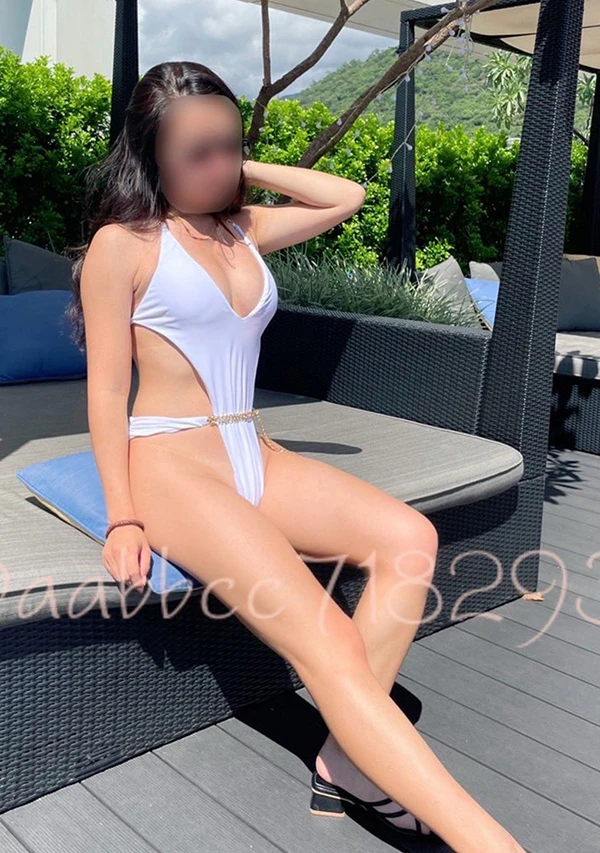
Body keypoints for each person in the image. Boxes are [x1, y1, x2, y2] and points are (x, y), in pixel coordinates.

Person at [70, 61, 527, 853]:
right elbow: (107, 391)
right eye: (196, 154)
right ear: (150, 156)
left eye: (229, 146)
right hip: (173, 465)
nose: (218, 166)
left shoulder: (242, 227)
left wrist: (234, 163)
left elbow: (344, 196)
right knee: (330, 642)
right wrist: (123, 517)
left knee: (410, 539)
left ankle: (347, 759)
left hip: (252, 447)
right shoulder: (125, 245)